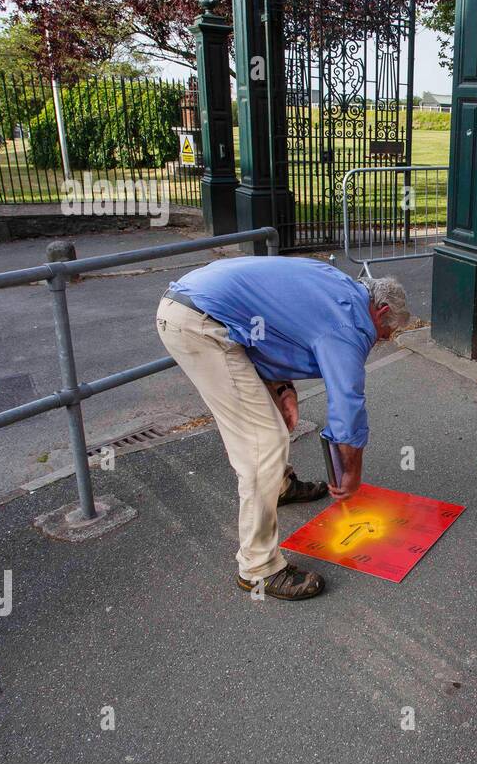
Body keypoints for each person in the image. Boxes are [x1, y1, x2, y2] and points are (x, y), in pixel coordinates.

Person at [155, 256, 410, 601]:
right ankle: (258, 568)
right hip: (201, 325)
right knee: (264, 441)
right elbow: (347, 405)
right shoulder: (351, 325)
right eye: (384, 335)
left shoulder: (338, 286)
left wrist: (282, 389)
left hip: (197, 306)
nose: (378, 341)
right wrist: (352, 472)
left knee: (268, 422)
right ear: (379, 312)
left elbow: (276, 328)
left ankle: (281, 486)